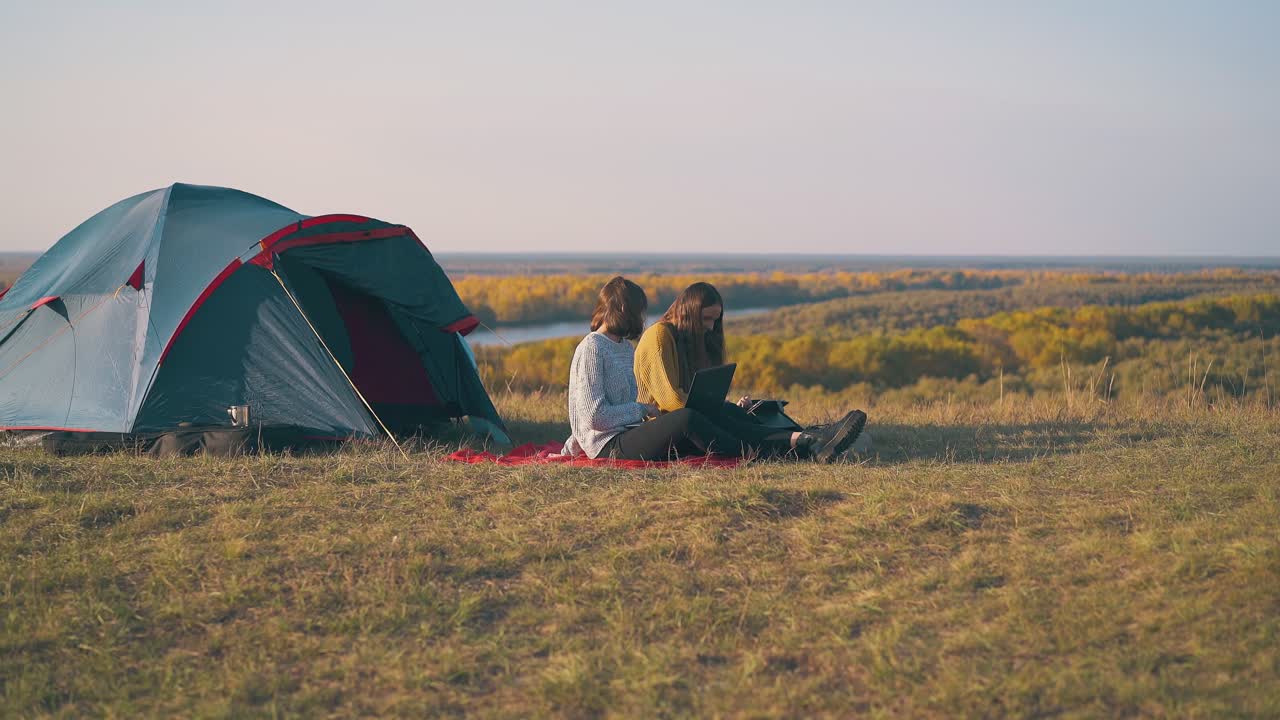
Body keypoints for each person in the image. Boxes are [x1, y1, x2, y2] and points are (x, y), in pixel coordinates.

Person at [562, 277, 862, 462]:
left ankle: (805, 442)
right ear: (623, 311)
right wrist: (642, 411)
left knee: (719, 415)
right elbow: (595, 417)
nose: (643, 320)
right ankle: (790, 447)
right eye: (640, 312)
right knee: (690, 418)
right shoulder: (592, 348)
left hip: (632, 433)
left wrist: (642, 414)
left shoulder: (622, 347)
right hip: (608, 446)